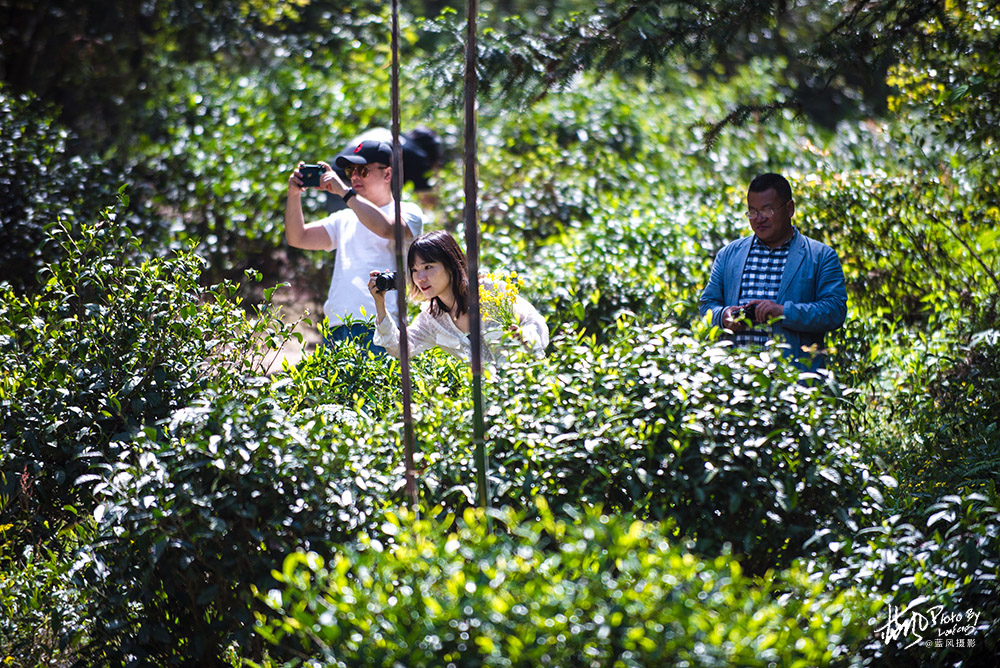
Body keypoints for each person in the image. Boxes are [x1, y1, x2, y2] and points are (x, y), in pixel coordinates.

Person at [284, 139, 424, 350]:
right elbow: (298, 237)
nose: (355, 177)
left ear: (387, 174)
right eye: (351, 171)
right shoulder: (344, 218)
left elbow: (386, 229)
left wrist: (344, 192)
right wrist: (294, 195)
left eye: (363, 171)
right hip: (336, 326)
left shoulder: (408, 211)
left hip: (381, 325)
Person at [699, 172, 848, 370]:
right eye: (752, 212)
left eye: (767, 211)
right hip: (737, 382)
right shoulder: (729, 255)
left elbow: (834, 311)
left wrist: (783, 312)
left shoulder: (820, 256)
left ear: (789, 209)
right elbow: (707, 305)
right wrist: (724, 315)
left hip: (794, 380)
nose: (758, 219)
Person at [368, 230, 549, 364]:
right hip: (493, 400)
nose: (420, 278)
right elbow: (400, 348)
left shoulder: (489, 290)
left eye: (428, 267)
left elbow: (534, 320)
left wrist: (525, 336)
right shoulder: (432, 318)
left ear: (450, 265)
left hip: (530, 386)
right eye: (414, 270)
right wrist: (380, 304)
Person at [325, 127, 442, 214]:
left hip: (336, 175)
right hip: (351, 183)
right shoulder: (417, 155)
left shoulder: (394, 137)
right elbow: (428, 202)